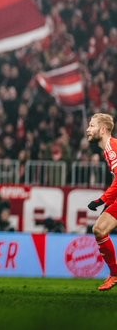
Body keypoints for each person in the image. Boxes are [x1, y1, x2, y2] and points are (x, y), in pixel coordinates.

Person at [85, 113, 117, 291]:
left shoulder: (112, 148)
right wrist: (108, 202)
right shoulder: (108, 149)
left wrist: (100, 200)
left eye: (92, 126)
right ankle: (115, 274)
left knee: (100, 229)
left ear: (103, 130)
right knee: (99, 229)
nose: (88, 129)